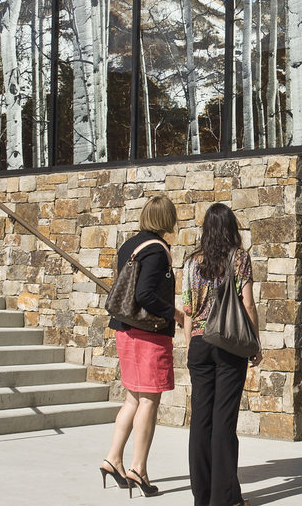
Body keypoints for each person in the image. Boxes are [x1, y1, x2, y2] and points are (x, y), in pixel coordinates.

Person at [100, 194, 186, 496]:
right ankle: (138, 467)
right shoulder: (158, 252)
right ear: (167, 220)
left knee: (133, 399)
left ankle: (113, 458)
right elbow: (144, 294)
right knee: (149, 400)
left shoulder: (130, 244)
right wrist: (174, 313)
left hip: (125, 330)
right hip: (148, 335)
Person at [182, 203, 262, 506]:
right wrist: (255, 343)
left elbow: (188, 309)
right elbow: (248, 304)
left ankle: (202, 497)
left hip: (199, 344)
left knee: (201, 421)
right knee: (223, 421)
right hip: (228, 345)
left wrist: (189, 342)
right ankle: (224, 500)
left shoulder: (191, 262)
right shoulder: (238, 259)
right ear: (231, 228)